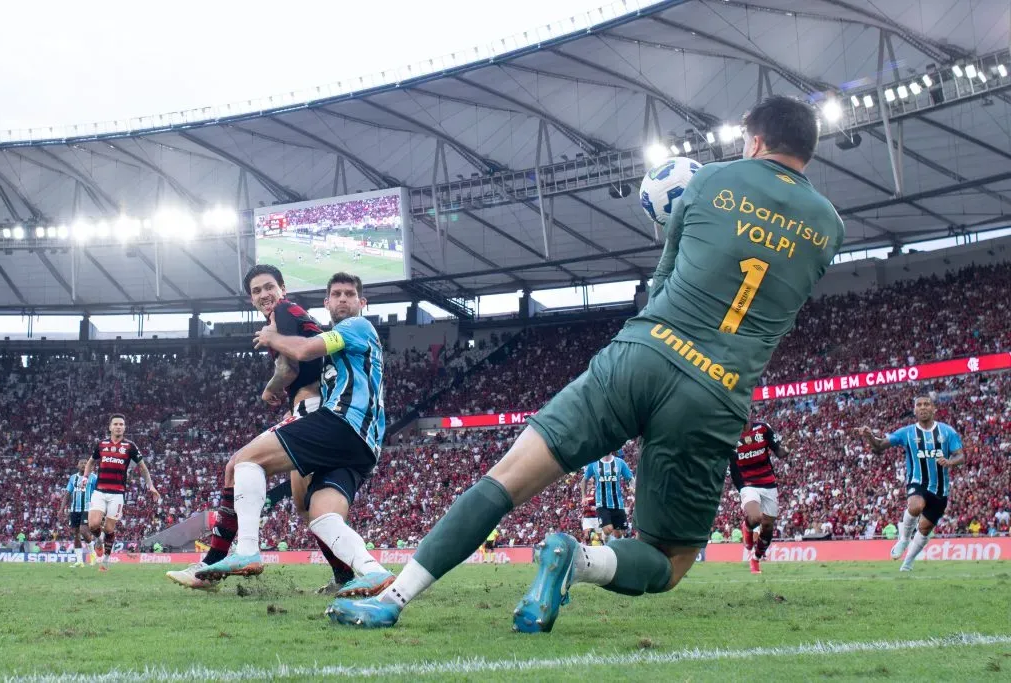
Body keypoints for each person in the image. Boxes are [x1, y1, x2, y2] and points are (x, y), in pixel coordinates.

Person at [326, 95, 844, 630]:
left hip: (642, 354)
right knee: (670, 560)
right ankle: (577, 559)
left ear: (754, 141)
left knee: (505, 479)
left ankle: (393, 599)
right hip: (715, 391)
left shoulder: (710, 181)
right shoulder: (829, 227)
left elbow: (663, 282)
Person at [199, 272, 391, 603]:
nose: (343, 299)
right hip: (363, 448)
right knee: (322, 516)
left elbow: (304, 350)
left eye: (349, 294)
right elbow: (305, 363)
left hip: (345, 424)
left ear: (362, 303)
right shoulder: (341, 348)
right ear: (326, 302)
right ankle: (373, 571)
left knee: (245, 461)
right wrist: (277, 384)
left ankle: (246, 550)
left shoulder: (355, 328)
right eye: (336, 294)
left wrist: (270, 337)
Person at [167, 265, 355, 593]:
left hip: (312, 412)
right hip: (317, 411)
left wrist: (271, 387)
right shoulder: (288, 317)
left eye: (269, 287)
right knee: (307, 507)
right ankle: (346, 577)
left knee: (237, 465)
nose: (264, 295)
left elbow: (289, 365)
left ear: (282, 288)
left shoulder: (284, 311)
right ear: (251, 298)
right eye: (256, 291)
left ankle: (212, 565)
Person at [856, 396, 964, 572]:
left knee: (925, 528)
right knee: (915, 506)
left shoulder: (947, 432)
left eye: (926, 404)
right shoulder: (907, 432)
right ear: (914, 410)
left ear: (934, 408)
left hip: (940, 489)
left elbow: (960, 455)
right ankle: (904, 539)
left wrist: (951, 462)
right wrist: (869, 437)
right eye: (919, 405)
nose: (923, 408)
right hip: (917, 481)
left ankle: (908, 562)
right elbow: (879, 447)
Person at [83, 414, 161, 572]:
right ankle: (99, 538)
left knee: (110, 529)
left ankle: (105, 560)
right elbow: (91, 461)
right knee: (93, 525)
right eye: (116, 424)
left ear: (124, 427)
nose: (118, 426)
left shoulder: (130, 446)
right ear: (110, 427)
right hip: (99, 491)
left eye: (121, 424)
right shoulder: (101, 445)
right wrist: (85, 477)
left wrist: (150, 485)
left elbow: (143, 467)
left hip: (117, 494)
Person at [730, 418, 789, 574]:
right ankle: (748, 527)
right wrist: (741, 488)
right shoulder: (730, 434)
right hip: (747, 483)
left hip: (768, 482)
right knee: (756, 517)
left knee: (768, 526)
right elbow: (733, 466)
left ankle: (755, 559)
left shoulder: (763, 428)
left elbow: (779, 452)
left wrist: (788, 448)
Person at [581, 451, 634, 540]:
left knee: (619, 534)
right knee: (608, 530)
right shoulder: (594, 464)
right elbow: (584, 480)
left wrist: (634, 488)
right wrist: (583, 496)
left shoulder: (620, 463)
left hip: (618, 504)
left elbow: (630, 478)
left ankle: (611, 545)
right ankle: (606, 545)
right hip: (602, 504)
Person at [59, 459, 97, 567]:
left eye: (86, 463)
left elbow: (99, 492)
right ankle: (80, 561)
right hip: (74, 509)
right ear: (77, 465)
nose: (84, 465)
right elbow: (67, 493)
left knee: (84, 531)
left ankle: (92, 553)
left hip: (88, 508)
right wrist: (62, 508)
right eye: (82, 463)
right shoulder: (73, 478)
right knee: (76, 534)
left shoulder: (93, 477)